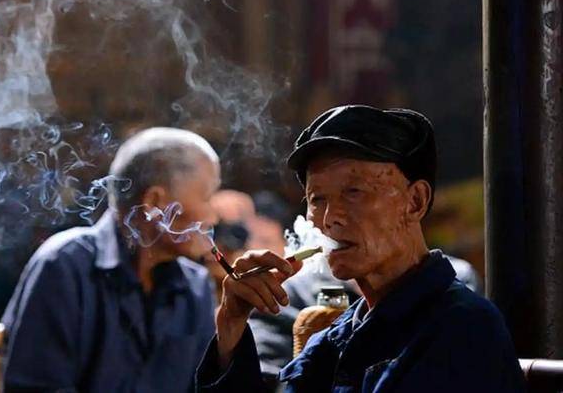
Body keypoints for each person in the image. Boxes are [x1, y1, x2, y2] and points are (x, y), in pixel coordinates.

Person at [196, 105, 526, 392]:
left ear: (415, 201)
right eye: (317, 199)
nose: (329, 218)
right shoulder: (337, 337)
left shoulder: (462, 327)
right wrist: (232, 323)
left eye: (354, 192)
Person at [2, 127, 220, 392]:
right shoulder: (64, 265)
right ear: (154, 202)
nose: (213, 217)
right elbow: (36, 388)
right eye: (207, 197)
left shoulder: (195, 288)